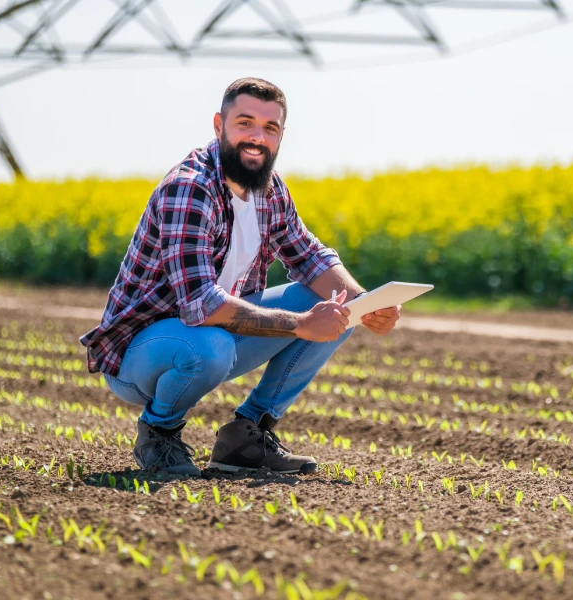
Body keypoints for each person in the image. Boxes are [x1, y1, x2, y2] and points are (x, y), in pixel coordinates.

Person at [79, 77, 401, 477]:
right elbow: (201, 305)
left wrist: (364, 305)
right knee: (210, 345)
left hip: (215, 337)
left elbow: (310, 257)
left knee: (337, 312)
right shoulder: (191, 189)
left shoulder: (269, 189)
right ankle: (158, 433)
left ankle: (247, 437)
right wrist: (301, 325)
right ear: (219, 125)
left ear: (281, 135)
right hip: (141, 357)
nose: (257, 138)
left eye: (270, 128)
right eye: (244, 123)